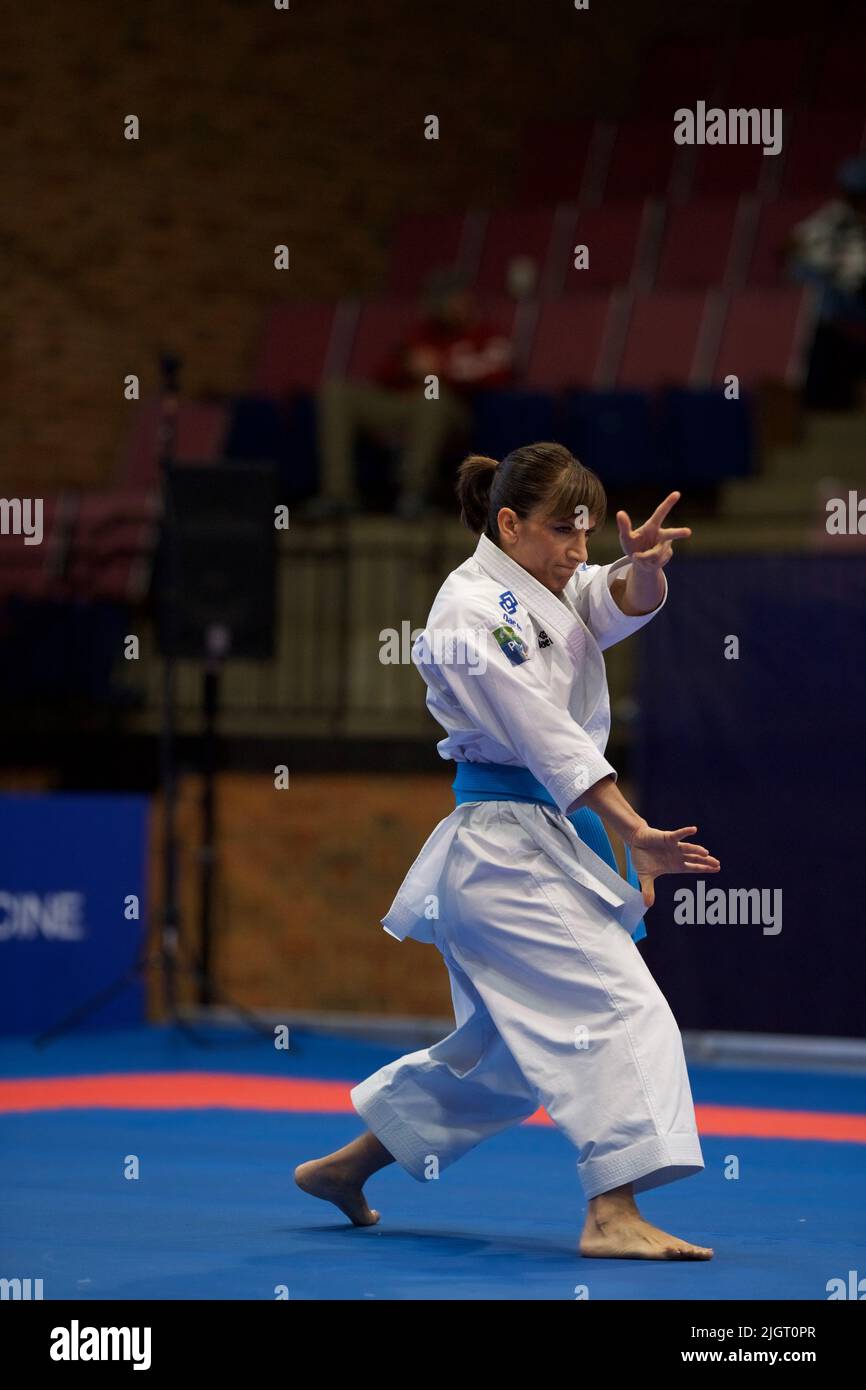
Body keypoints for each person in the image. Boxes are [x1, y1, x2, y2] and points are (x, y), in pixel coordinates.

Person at [296, 442, 721, 1260]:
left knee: (502, 1055)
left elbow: (615, 600)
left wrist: (645, 570)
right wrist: (634, 830)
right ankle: (611, 1214)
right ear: (511, 523)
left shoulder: (542, 586)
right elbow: (544, 733)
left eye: (588, 534)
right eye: (565, 532)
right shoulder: (467, 614)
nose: (578, 552)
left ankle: (346, 1168)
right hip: (503, 854)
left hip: (526, 848)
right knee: (619, 1010)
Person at [305, 269, 512, 520]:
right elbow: (383, 376)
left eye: (454, 299)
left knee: (431, 399)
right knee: (336, 392)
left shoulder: (486, 335)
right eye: (442, 300)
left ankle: (415, 493)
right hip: (406, 401)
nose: (449, 305)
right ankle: (338, 494)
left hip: (454, 407)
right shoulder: (422, 332)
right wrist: (408, 365)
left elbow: (499, 377)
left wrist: (441, 368)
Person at [786, 155, 866, 410]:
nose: (854, 202)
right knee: (816, 329)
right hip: (835, 316)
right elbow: (797, 245)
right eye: (850, 195)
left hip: (858, 307)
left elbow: (856, 273)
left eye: (859, 195)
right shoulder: (834, 217)